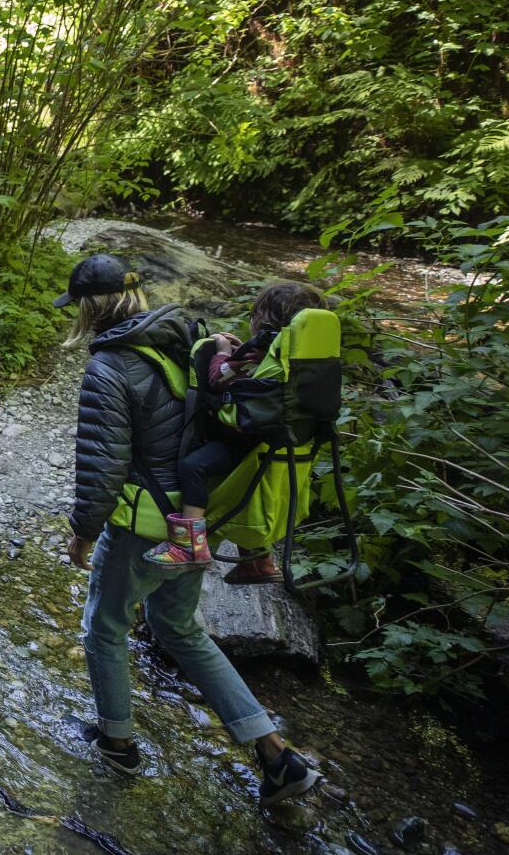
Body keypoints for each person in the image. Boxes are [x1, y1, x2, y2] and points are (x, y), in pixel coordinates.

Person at [58, 253, 320, 803]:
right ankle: (275, 753)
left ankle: (117, 744)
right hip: (200, 519)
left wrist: (84, 529)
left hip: (147, 521)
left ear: (91, 307)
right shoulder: (190, 336)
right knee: (178, 627)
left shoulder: (111, 365)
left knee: (105, 626)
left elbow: (103, 462)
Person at [147, 281, 329, 575]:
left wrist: (222, 350)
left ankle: (188, 546)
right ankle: (258, 562)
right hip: (285, 444)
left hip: (249, 440)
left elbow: (219, 379)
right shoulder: (308, 359)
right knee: (250, 490)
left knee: (194, 466)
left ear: (262, 321)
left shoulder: (262, 350)